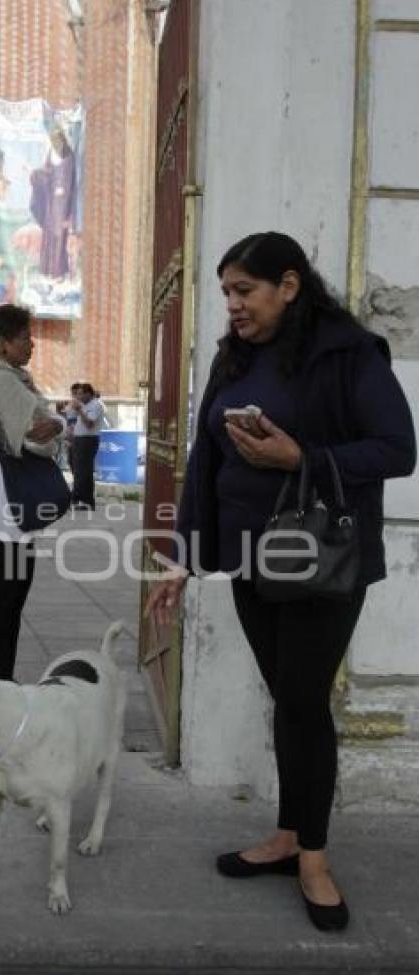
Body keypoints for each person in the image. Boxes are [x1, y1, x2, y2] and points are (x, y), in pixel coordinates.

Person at [146, 231, 416, 933]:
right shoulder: (234, 357)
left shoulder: (347, 353)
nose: (232, 305)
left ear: (288, 286)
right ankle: (289, 834)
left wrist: (303, 455)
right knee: (287, 699)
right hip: (248, 558)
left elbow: (397, 449)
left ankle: (315, 858)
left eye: (245, 290)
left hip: (320, 562)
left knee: (302, 702)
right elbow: (205, 454)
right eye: (227, 291)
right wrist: (182, 557)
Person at [0, 303, 64, 681]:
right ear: (3, 343)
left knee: (6, 587)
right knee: (7, 591)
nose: (32, 344)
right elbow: (35, 432)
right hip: (8, 496)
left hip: (1, 494)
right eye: (24, 337)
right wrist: (56, 424)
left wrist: (51, 425)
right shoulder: (3, 379)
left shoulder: (2, 375)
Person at [29, 126, 77, 281]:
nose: (55, 144)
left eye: (57, 140)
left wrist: (63, 193)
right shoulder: (51, 155)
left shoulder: (69, 158)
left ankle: (58, 273)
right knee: (50, 235)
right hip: (51, 205)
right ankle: (47, 271)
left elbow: (70, 182)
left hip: (63, 205)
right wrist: (35, 174)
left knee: (59, 237)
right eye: (53, 141)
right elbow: (47, 173)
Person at [68, 382, 106, 510]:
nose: (78, 396)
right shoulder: (85, 405)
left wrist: (79, 410)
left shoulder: (96, 405)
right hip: (80, 440)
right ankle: (86, 501)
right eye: (77, 393)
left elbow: (89, 424)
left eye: (80, 393)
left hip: (88, 440)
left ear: (88, 393)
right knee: (82, 471)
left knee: (82, 471)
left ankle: (77, 499)